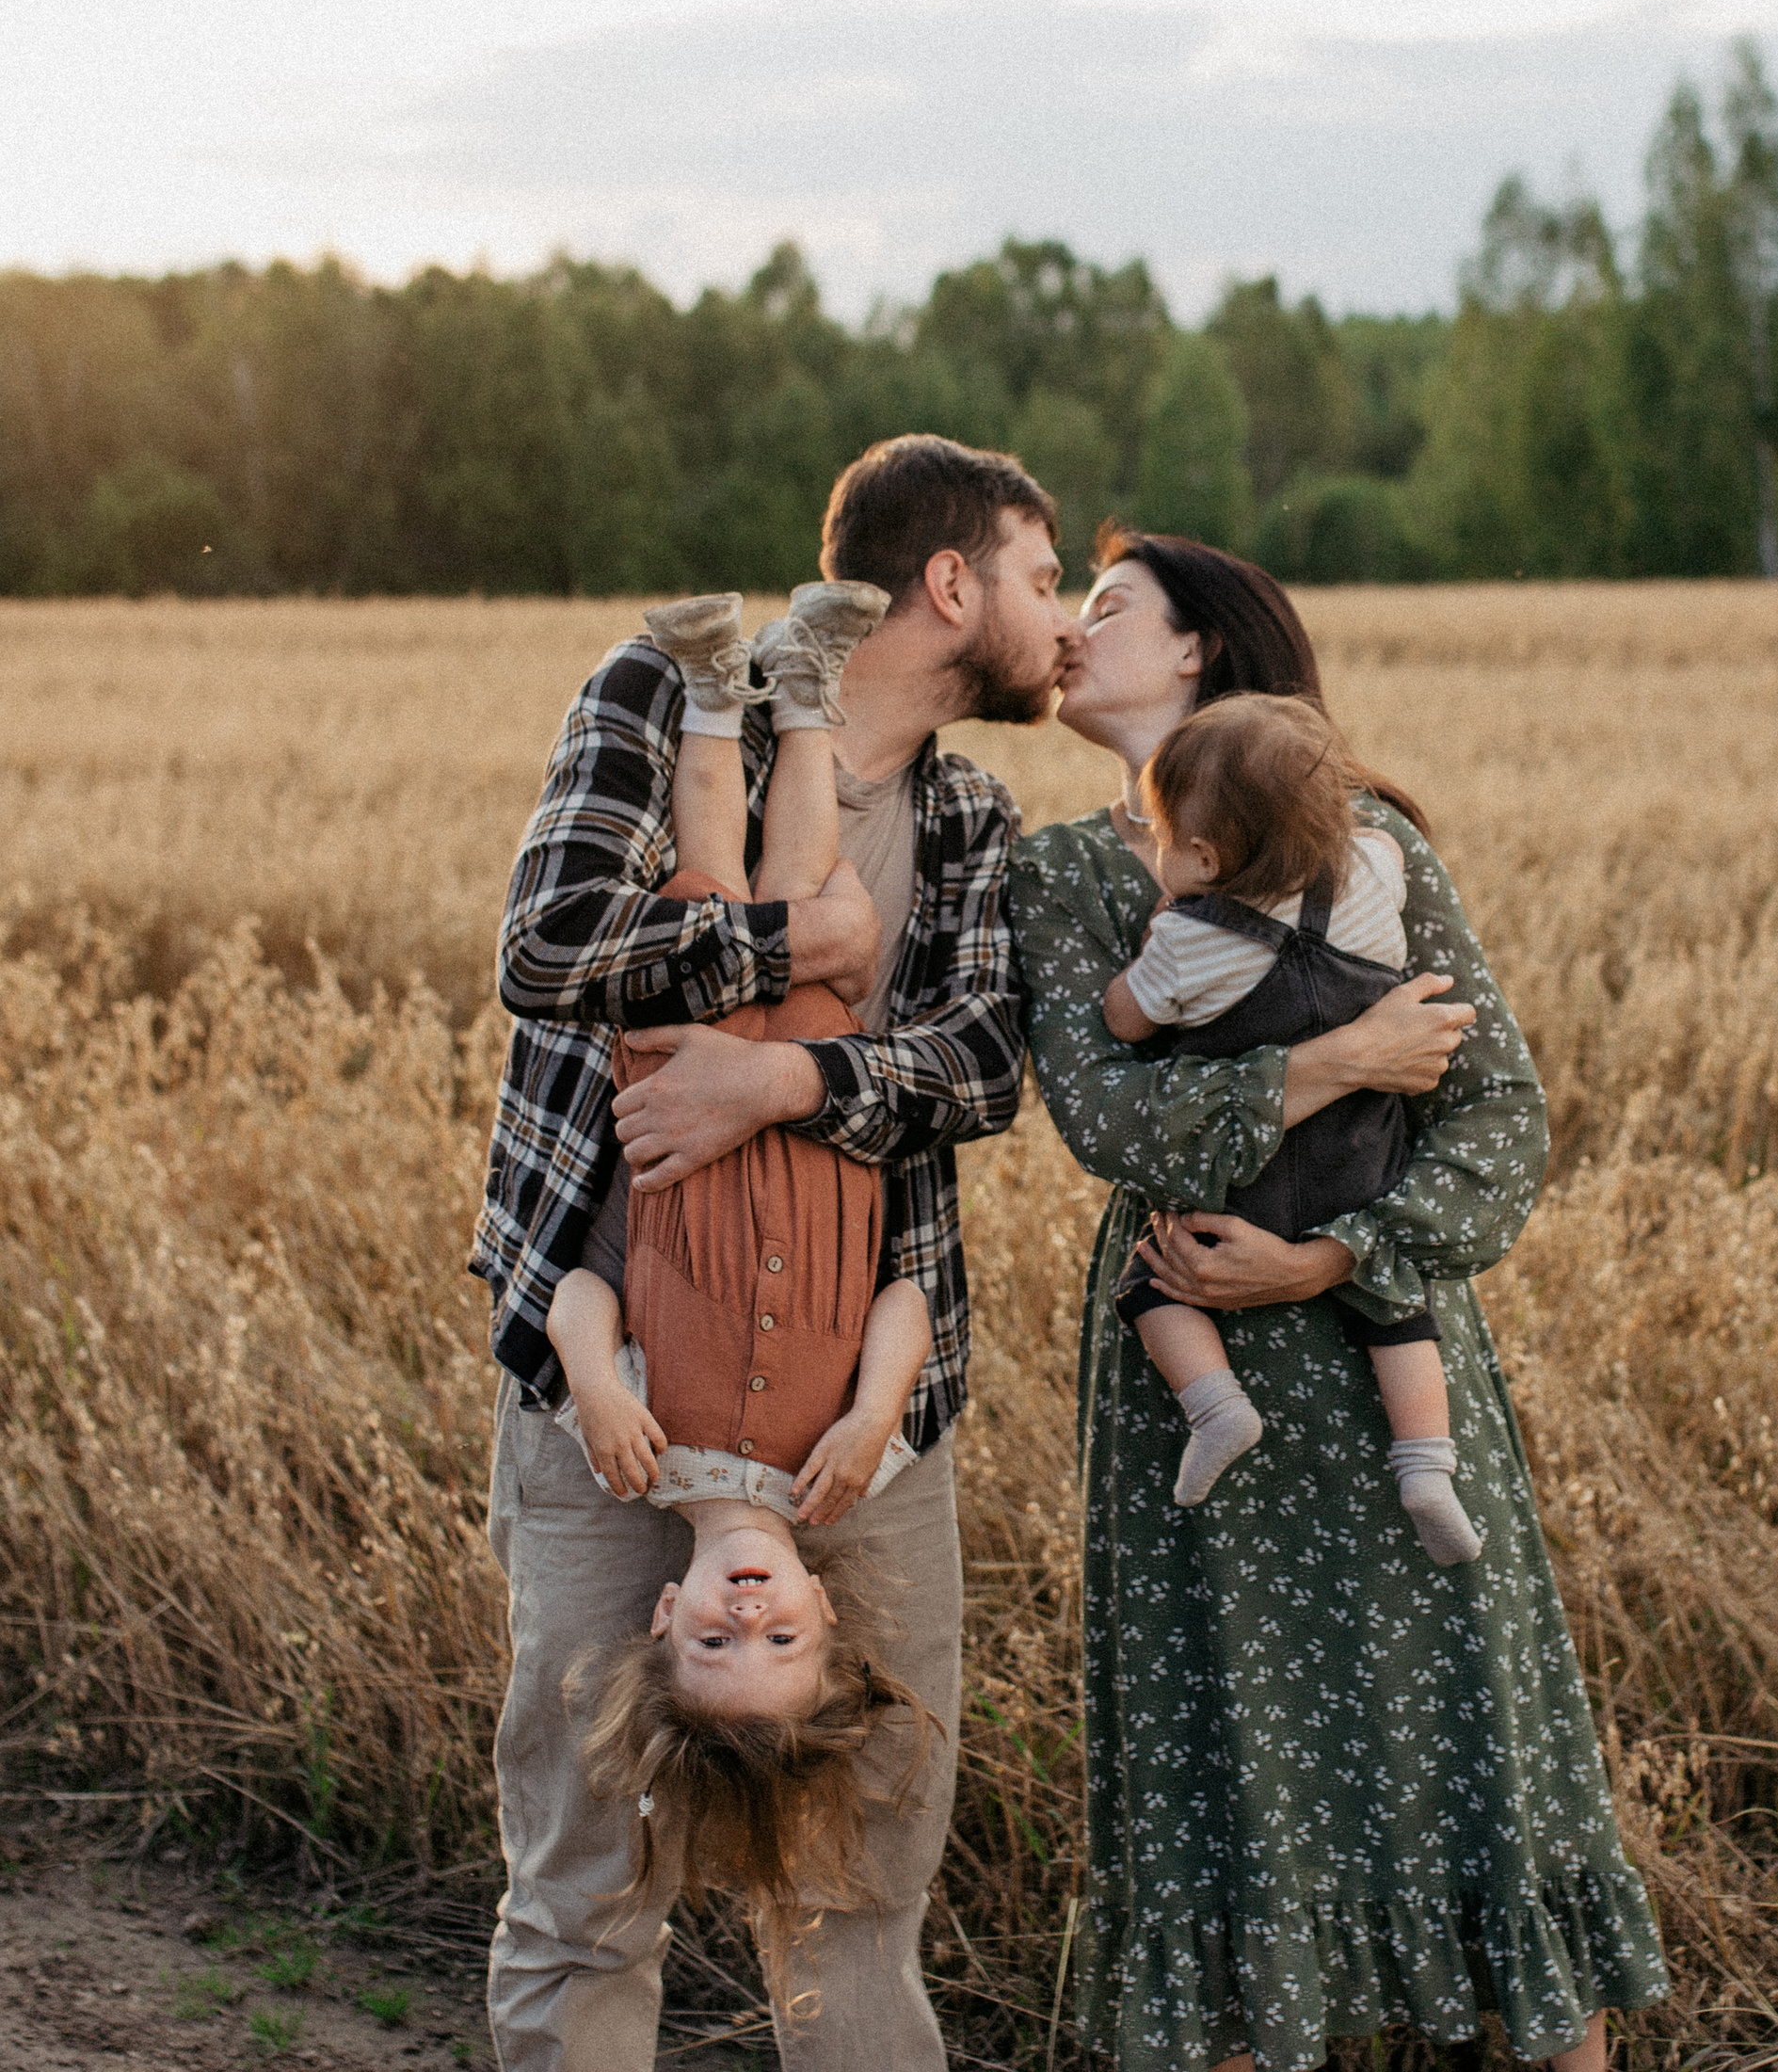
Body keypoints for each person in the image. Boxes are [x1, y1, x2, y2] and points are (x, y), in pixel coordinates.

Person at [1012, 529, 1667, 2072]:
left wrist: (1339, 1259)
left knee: (1476, 1741)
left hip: (1385, 1364)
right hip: (1193, 1390)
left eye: (1108, 607)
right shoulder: (1058, 874)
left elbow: (1500, 1114)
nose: (1071, 631)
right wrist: (1338, 1063)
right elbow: (1109, 1121)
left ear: (1197, 649)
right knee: (1221, 1772)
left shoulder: (1369, 849)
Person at [473, 435, 1071, 2072]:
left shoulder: (968, 811)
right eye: (1041, 579)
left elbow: (984, 1068)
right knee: (586, 1880)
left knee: (861, 1883)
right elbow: (548, 943)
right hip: (608, 1393)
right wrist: (789, 944)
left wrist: (778, 1081)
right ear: (949, 585)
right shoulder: (663, 695)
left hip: (869, 1419)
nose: (1063, 620)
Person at [1098, 690, 1481, 1564]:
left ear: (1201, 857)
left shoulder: (1187, 940)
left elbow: (1124, 1018)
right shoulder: (1373, 870)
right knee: (1397, 1305)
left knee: (1153, 1281)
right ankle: (1427, 1468)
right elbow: (1381, 844)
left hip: (1249, 1180)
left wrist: (1156, 934)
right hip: (1365, 1161)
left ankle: (1217, 1407)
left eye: (1163, 838)